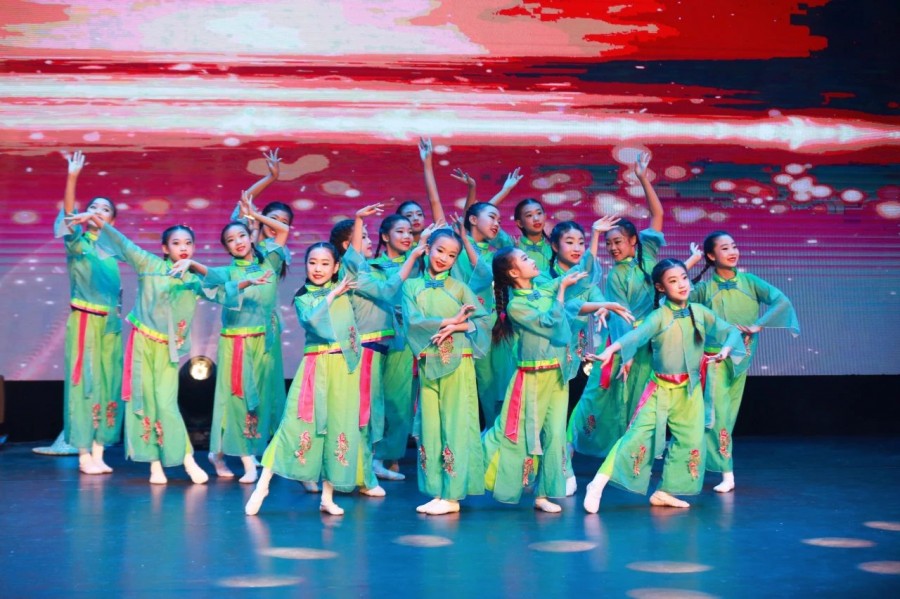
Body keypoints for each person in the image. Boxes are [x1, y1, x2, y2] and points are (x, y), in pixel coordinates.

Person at [92, 218, 269, 484]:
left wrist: (247, 283)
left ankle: (187, 460)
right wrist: (98, 222)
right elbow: (124, 244)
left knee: (166, 404)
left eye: (188, 243)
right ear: (165, 248)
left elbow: (222, 293)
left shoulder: (193, 279)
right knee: (144, 403)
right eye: (176, 243)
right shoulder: (149, 264)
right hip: (142, 343)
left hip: (168, 350)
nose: (183, 248)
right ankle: (155, 466)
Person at [582, 259, 745, 512]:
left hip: (689, 390)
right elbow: (635, 336)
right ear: (660, 287)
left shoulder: (699, 311)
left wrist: (725, 350)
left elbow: (731, 332)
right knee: (634, 438)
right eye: (673, 281)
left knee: (690, 441)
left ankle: (664, 492)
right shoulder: (659, 316)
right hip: (660, 389)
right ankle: (597, 485)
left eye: (684, 278)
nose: (681, 284)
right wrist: (610, 350)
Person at [245, 242, 365, 516]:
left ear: (336, 267)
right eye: (313, 262)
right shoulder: (304, 297)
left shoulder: (346, 288)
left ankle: (327, 497)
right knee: (293, 426)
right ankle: (262, 486)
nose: (318, 268)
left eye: (325, 263)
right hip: (316, 367)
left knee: (338, 428)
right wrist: (333, 294)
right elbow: (313, 321)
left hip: (344, 369)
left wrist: (359, 222)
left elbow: (356, 254)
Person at [690, 231, 800, 493]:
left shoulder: (750, 282)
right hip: (715, 359)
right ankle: (726, 473)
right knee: (717, 414)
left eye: (734, 246)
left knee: (727, 415)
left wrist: (758, 324)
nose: (732, 252)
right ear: (711, 256)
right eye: (724, 248)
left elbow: (781, 302)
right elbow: (676, 305)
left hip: (742, 359)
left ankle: (701, 465)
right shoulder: (704, 289)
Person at [481, 247, 585, 512]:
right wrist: (561, 292)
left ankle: (544, 494)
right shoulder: (516, 306)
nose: (531, 261)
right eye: (525, 259)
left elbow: (570, 277)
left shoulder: (541, 290)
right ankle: (476, 468)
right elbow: (549, 322)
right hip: (533, 376)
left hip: (557, 374)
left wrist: (594, 238)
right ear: (514, 273)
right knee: (516, 433)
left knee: (555, 435)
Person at [401, 228, 491, 515]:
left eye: (451, 255)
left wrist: (456, 326)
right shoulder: (411, 286)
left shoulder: (460, 287)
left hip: (458, 362)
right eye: (440, 250)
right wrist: (449, 320)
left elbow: (484, 320)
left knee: (455, 424)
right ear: (427, 248)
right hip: (429, 362)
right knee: (430, 427)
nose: (444, 258)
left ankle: (452, 495)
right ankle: (437, 491)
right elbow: (413, 322)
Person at [206, 193, 289, 483]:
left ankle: (242, 451)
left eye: (242, 235)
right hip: (237, 344)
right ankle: (237, 456)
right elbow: (208, 281)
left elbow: (283, 230)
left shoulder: (270, 262)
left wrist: (254, 215)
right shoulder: (228, 272)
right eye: (231, 240)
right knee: (236, 400)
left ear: (252, 236)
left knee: (263, 400)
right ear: (227, 247)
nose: (238, 241)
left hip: (265, 343)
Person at [53, 151, 123, 473]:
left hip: (110, 325)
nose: (98, 211)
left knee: (108, 384)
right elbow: (69, 215)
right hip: (85, 321)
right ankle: (83, 454)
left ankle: (99, 451)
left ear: (112, 221)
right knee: (85, 382)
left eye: (105, 209)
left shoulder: (115, 250)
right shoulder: (78, 243)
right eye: (93, 207)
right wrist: (72, 177)